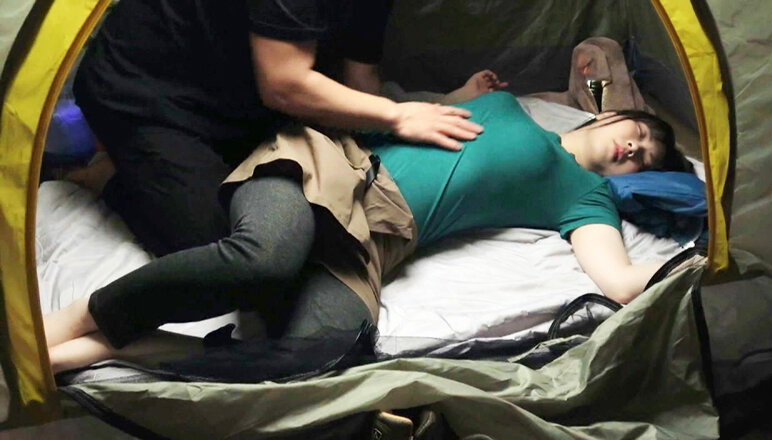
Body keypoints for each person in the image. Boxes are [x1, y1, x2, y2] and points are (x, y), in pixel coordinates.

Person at [45, 90, 684, 374]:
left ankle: (115, 349)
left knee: (328, 354)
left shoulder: (584, 194)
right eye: (639, 131)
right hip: (331, 166)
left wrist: (704, 255)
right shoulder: (506, 104)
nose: (635, 147)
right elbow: (402, 113)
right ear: (610, 116)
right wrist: (462, 93)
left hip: (375, 240)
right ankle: (74, 320)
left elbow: (619, 280)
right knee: (264, 258)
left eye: (647, 157)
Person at [67, 0, 483, 257]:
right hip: (146, 90)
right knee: (218, 246)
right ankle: (106, 176)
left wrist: (413, 118)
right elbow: (284, 84)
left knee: (294, 200)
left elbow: (360, 76)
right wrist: (399, 116)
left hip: (236, 87)